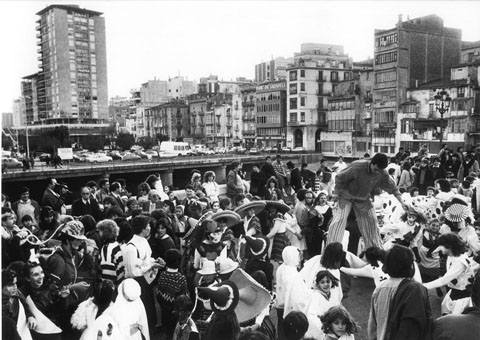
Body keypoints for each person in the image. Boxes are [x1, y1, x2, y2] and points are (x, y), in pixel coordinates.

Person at [327, 153, 408, 249]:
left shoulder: (382, 173)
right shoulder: (357, 166)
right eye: (375, 169)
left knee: (372, 220)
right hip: (346, 196)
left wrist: (402, 202)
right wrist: (336, 193)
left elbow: (393, 188)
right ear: (372, 163)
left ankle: (375, 250)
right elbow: (339, 177)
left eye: (379, 170)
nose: (376, 172)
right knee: (339, 219)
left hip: (362, 199)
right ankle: (331, 249)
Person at [368, 245, 432, 340]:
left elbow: (372, 324)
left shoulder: (379, 289)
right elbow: (418, 324)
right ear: (410, 266)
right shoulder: (415, 289)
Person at [423, 233, 477, 315]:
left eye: (441, 245)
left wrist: (423, 286)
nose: (438, 247)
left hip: (461, 298)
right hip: (453, 293)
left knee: (455, 322)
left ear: (449, 246)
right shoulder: (452, 256)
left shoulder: (460, 262)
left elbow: (443, 281)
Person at [157, 249, 188, 340]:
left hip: (164, 311)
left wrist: (163, 304)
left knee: (167, 332)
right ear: (179, 262)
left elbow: (158, 294)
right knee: (176, 333)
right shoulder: (181, 278)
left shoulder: (162, 275)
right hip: (177, 313)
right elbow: (185, 298)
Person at [304, 270, 341, 339]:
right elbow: (311, 317)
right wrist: (324, 331)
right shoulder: (316, 296)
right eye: (322, 282)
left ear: (332, 282)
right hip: (320, 330)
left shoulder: (332, 294)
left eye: (328, 281)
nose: (326, 285)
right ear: (318, 284)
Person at [2, 268, 36, 340]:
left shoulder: (18, 294)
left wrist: (29, 316)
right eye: (10, 285)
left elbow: (25, 307)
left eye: (15, 283)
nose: (15, 287)